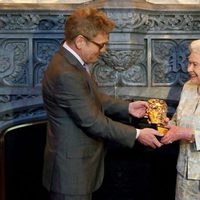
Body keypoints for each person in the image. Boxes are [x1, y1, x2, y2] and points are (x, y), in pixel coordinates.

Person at [42, 6, 162, 200]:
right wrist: (138, 134)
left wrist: (128, 107)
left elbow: (92, 97)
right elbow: (93, 122)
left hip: (77, 168)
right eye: (101, 44)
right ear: (80, 41)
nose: (104, 50)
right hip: (70, 174)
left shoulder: (72, 63)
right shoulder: (66, 73)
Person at [161, 39, 200, 200]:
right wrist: (165, 124)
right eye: (189, 63)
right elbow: (177, 121)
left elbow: (185, 131)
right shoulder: (188, 87)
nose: (188, 69)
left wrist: (188, 134)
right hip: (184, 175)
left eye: (195, 64)